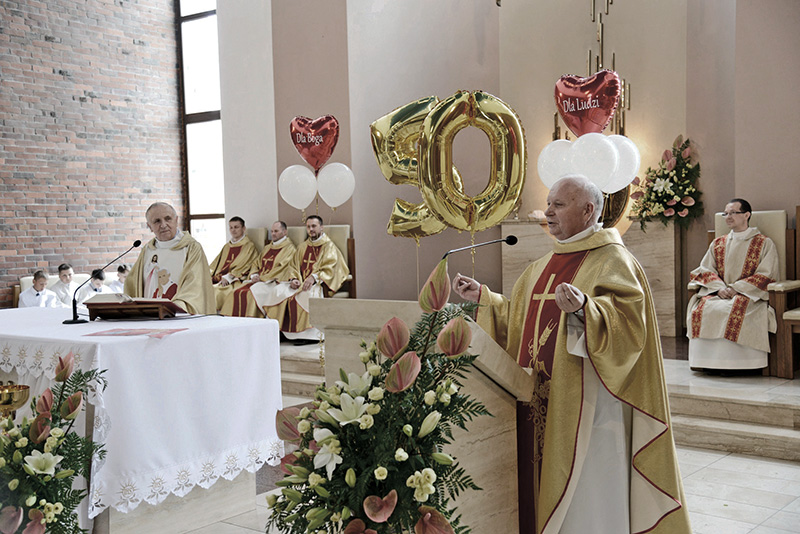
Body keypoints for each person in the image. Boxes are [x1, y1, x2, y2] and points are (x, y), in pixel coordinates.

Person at [452, 176, 690, 534]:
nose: (548, 212)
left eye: (558, 205)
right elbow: (519, 315)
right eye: (549, 203)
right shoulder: (540, 266)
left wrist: (586, 310)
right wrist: (485, 298)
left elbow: (630, 328)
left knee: (588, 493)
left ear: (588, 210)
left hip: (592, 408)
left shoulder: (614, 260)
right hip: (540, 398)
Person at [687, 199, 779, 371]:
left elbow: (766, 274)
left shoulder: (764, 243)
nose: (728, 217)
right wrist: (719, 288)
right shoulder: (718, 243)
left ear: (746, 215)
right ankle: (706, 363)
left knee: (732, 310)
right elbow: (705, 269)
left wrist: (736, 288)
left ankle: (740, 365)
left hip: (749, 295)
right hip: (718, 292)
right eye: (726, 214)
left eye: (733, 213)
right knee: (703, 309)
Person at [125, 202, 215, 314]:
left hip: (179, 317)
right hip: (150, 318)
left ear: (176, 220)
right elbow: (132, 287)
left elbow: (195, 286)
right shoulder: (148, 250)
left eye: (168, 219)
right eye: (157, 221)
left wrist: (174, 309)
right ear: (149, 226)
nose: (163, 225)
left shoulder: (191, 248)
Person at [282, 215, 349, 342]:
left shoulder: (328, 246)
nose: (311, 229)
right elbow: (293, 266)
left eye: (314, 226)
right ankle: (289, 334)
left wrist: (313, 278)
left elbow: (331, 267)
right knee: (281, 291)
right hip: (302, 282)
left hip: (319, 282)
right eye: (308, 227)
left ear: (321, 227)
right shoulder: (302, 247)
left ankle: (311, 336)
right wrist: (293, 279)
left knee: (309, 294)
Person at [219, 221, 300, 319]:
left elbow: (283, 268)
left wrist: (262, 278)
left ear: (285, 232)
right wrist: (254, 275)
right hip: (259, 281)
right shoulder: (267, 248)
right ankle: (234, 324)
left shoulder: (290, 249)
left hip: (272, 282)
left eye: (276, 231)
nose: (273, 234)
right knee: (235, 292)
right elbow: (255, 263)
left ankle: (253, 323)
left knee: (250, 294)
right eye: (272, 231)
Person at [209, 216, 260, 311]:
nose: (233, 230)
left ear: (243, 228)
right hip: (220, 278)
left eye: (236, 227)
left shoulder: (249, 246)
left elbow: (245, 266)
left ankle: (215, 318)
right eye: (231, 227)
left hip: (234, 280)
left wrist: (228, 277)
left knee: (214, 291)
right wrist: (208, 273)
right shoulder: (227, 246)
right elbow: (216, 263)